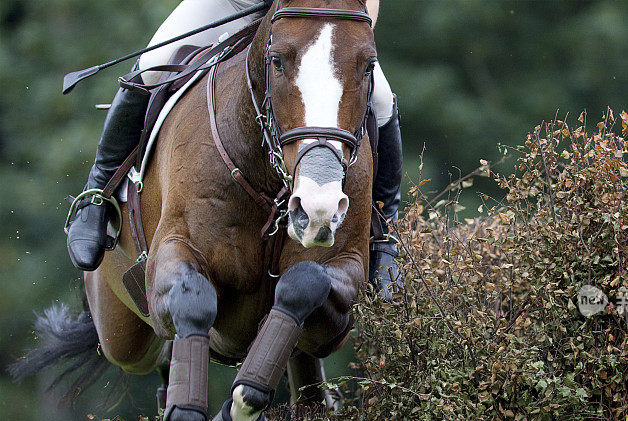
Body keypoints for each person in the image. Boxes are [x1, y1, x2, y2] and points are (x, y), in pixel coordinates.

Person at [65, 0, 401, 299]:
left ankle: (385, 236)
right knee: (153, 65)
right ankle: (96, 193)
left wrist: (357, 22)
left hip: (318, 15)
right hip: (234, 3)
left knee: (381, 98)